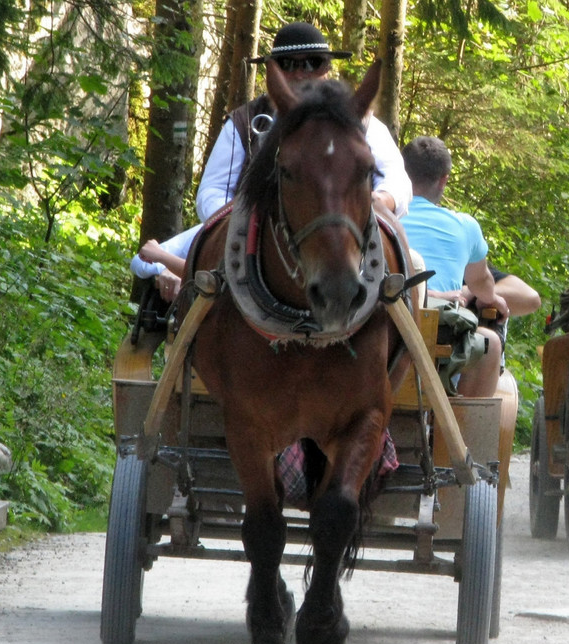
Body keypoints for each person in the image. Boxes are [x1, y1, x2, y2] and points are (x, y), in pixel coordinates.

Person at [131, 21, 413, 301]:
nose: (301, 73)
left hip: (347, 231)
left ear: (327, 68)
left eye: (313, 63)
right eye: (288, 64)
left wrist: (378, 200)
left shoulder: (360, 122)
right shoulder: (244, 122)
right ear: (274, 72)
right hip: (250, 231)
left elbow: (397, 181)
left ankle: (407, 344)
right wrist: (246, 219)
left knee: (416, 265)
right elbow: (212, 191)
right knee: (145, 262)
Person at [400, 136, 508, 398]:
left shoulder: (379, 216)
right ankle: (463, 434)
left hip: (382, 336)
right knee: (490, 342)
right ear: (444, 179)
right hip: (436, 349)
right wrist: (493, 299)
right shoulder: (464, 226)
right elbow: (480, 282)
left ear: (402, 172)